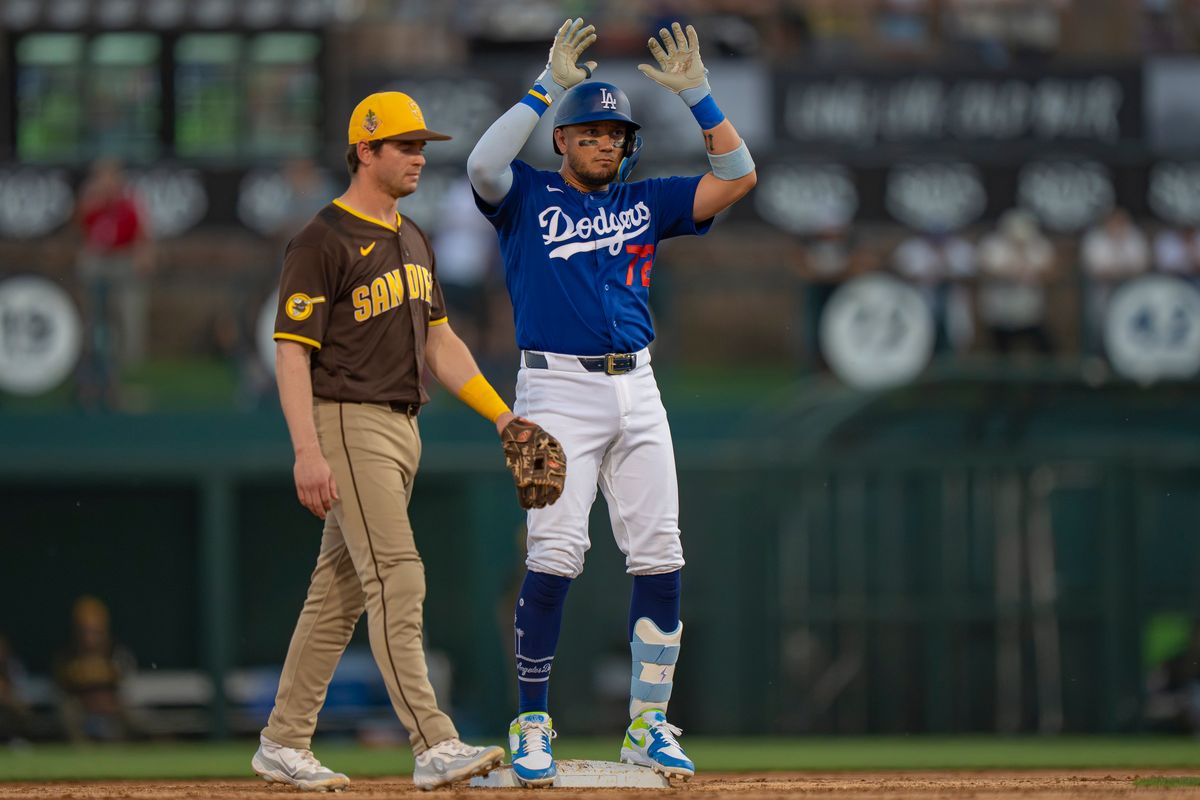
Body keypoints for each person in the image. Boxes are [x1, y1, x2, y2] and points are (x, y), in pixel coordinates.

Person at [467, 18, 756, 785]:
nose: (604, 142)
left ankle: (648, 725)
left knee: (661, 553)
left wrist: (699, 97)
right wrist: (547, 87)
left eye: (614, 134)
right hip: (556, 386)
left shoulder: (648, 199)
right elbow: (482, 161)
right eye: (589, 131)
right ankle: (532, 723)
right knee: (556, 553)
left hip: (639, 384)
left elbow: (737, 175)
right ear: (562, 139)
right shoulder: (526, 194)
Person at [255, 90, 563, 791]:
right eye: (404, 145)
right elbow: (291, 351)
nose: (419, 157)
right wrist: (307, 449)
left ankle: (282, 740)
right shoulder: (322, 239)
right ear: (365, 150)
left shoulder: (413, 235)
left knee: (337, 592)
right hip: (347, 419)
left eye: (422, 145)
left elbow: (440, 341)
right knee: (399, 574)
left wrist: (500, 414)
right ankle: (433, 741)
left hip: (402, 425)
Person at [74, 158, 153, 409]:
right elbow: (80, 231)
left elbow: (143, 236)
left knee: (128, 317)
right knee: (94, 323)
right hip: (98, 260)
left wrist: (143, 258)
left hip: (123, 259)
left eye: (111, 176)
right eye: (102, 176)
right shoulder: (91, 201)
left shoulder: (129, 202)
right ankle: (90, 377)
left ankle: (122, 377)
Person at [53, 596, 136, 743]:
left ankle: (122, 753)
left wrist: (106, 699)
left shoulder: (116, 652)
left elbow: (125, 682)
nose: (89, 637)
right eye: (85, 631)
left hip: (111, 708)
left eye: (95, 631)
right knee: (68, 711)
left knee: (129, 712)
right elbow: (61, 685)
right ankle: (81, 754)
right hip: (81, 709)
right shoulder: (67, 655)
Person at [976, 209, 1056, 356]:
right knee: (1001, 351)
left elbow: (1051, 271)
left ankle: (1048, 379)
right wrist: (1009, 273)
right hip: (1000, 311)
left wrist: (1032, 271)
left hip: (1030, 310)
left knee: (1044, 348)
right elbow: (985, 269)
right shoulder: (993, 245)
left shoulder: (1039, 245)